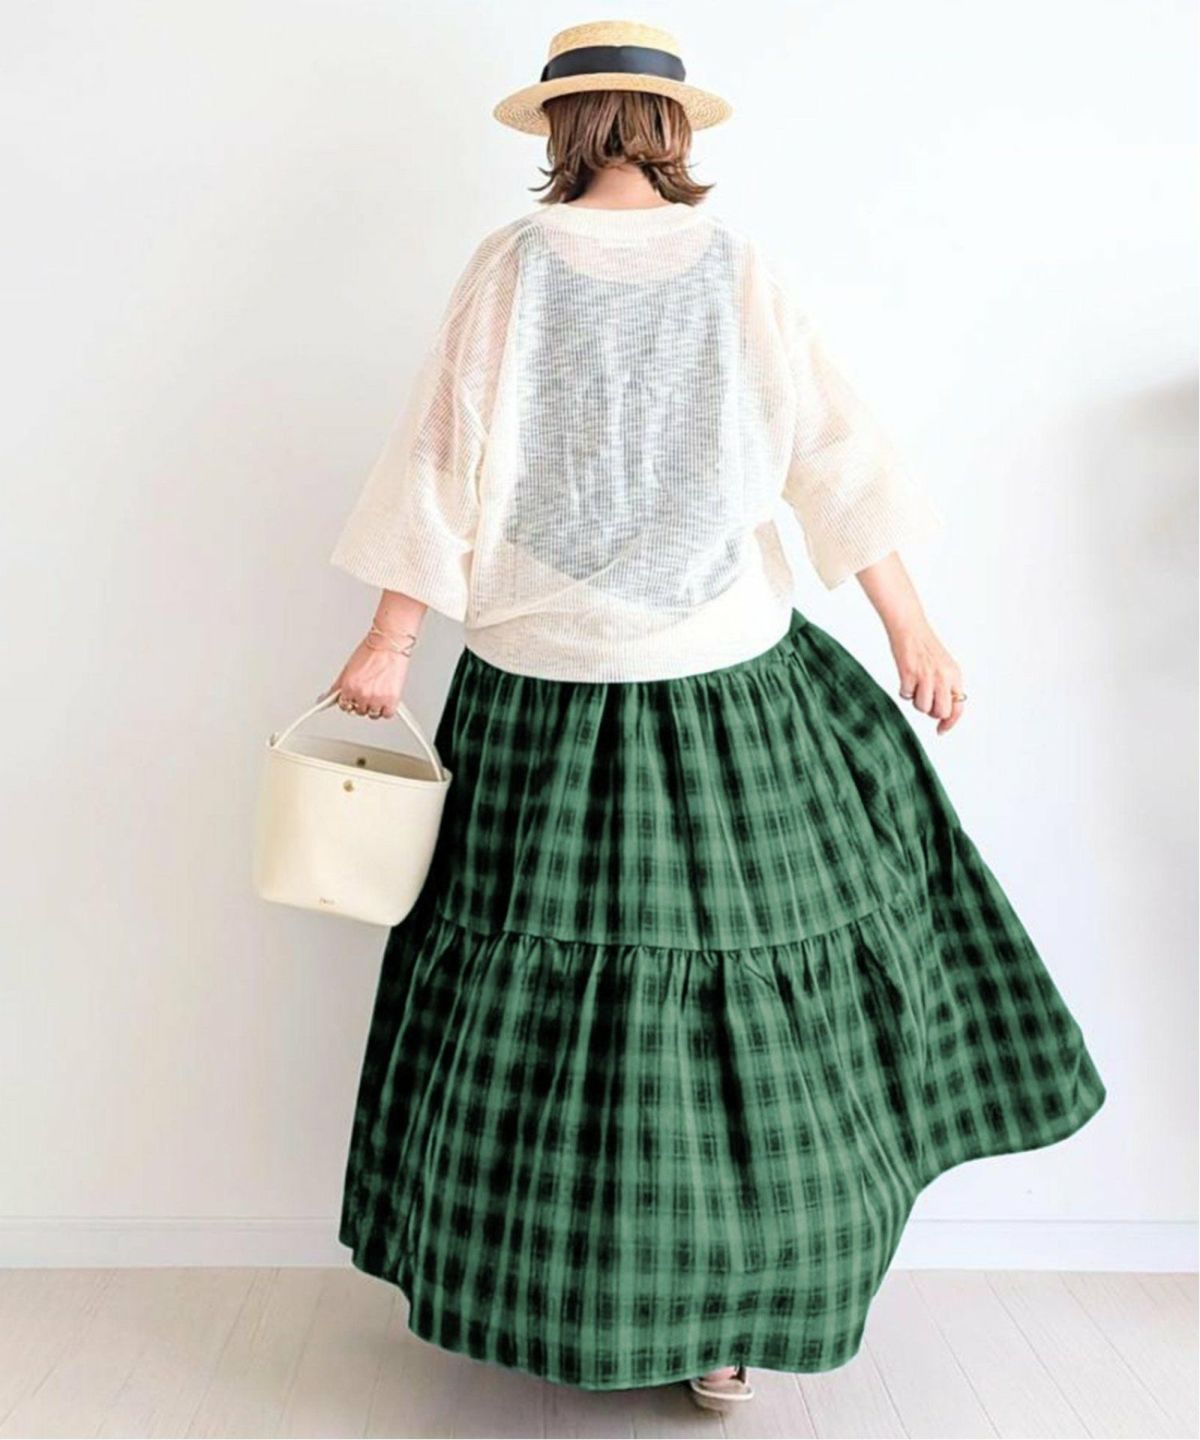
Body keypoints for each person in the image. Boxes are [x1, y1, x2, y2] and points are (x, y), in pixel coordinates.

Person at [324, 20, 1106, 1412]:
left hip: (546, 692)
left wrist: (390, 639)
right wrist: (912, 630)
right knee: (748, 1018)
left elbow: (443, 459)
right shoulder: (740, 267)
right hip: (727, 689)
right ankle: (726, 1325)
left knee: (542, 1018)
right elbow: (835, 457)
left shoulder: (510, 268)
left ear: (558, 129)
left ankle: (549, 1301)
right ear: (673, 130)